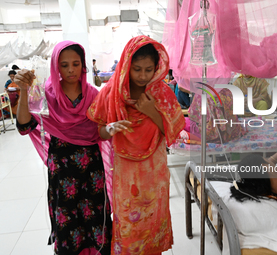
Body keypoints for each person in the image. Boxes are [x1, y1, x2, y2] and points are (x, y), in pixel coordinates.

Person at [87, 35, 185, 255]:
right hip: (127, 173)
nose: (142, 76)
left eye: (148, 70)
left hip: (154, 172)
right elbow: (99, 132)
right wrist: (110, 129)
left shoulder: (162, 93)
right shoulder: (111, 94)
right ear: (126, 66)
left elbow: (172, 132)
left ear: (157, 67)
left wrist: (151, 111)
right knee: (129, 226)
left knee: (152, 223)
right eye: (137, 69)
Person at [14, 41, 112, 255]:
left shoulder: (94, 96)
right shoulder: (46, 95)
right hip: (62, 168)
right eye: (64, 64)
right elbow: (24, 125)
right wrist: (23, 91)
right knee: (67, 217)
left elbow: (102, 130)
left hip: (91, 167)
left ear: (83, 66)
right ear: (56, 67)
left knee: (95, 215)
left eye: (76, 64)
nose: (70, 70)